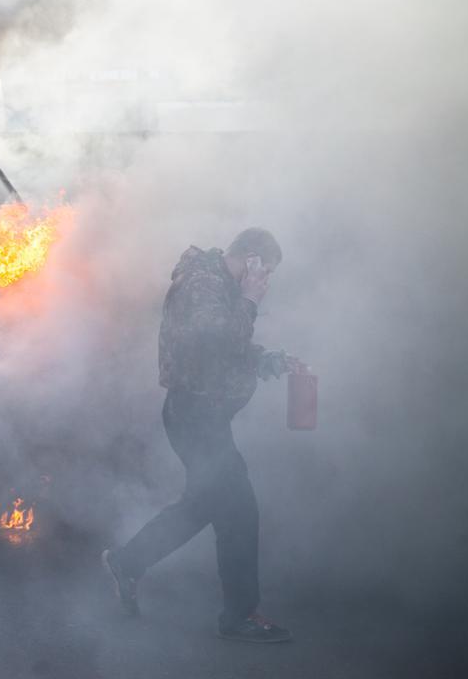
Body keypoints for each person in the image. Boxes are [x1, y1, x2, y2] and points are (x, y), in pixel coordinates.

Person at [103, 227, 300, 643]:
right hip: (196, 416)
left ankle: (128, 562)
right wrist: (250, 299)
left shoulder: (216, 283)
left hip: (201, 415)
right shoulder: (204, 283)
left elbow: (224, 345)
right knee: (239, 511)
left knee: (202, 504)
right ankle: (240, 617)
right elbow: (213, 339)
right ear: (252, 260)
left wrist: (264, 359)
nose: (267, 280)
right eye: (267, 270)